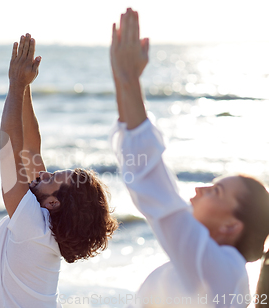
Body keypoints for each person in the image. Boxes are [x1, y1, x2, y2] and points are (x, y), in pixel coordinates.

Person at [110, 8, 269, 308]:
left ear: (231, 226)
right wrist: (122, 81)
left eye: (216, 191)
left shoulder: (225, 272)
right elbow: (146, 179)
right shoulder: (207, 269)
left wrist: (129, 80)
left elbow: (159, 194)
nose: (198, 190)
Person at [0, 33, 119, 307]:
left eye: (52, 177)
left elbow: (9, 150)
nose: (43, 173)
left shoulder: (33, 225)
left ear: (54, 202)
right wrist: (26, 86)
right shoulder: (43, 223)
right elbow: (30, 150)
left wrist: (15, 84)